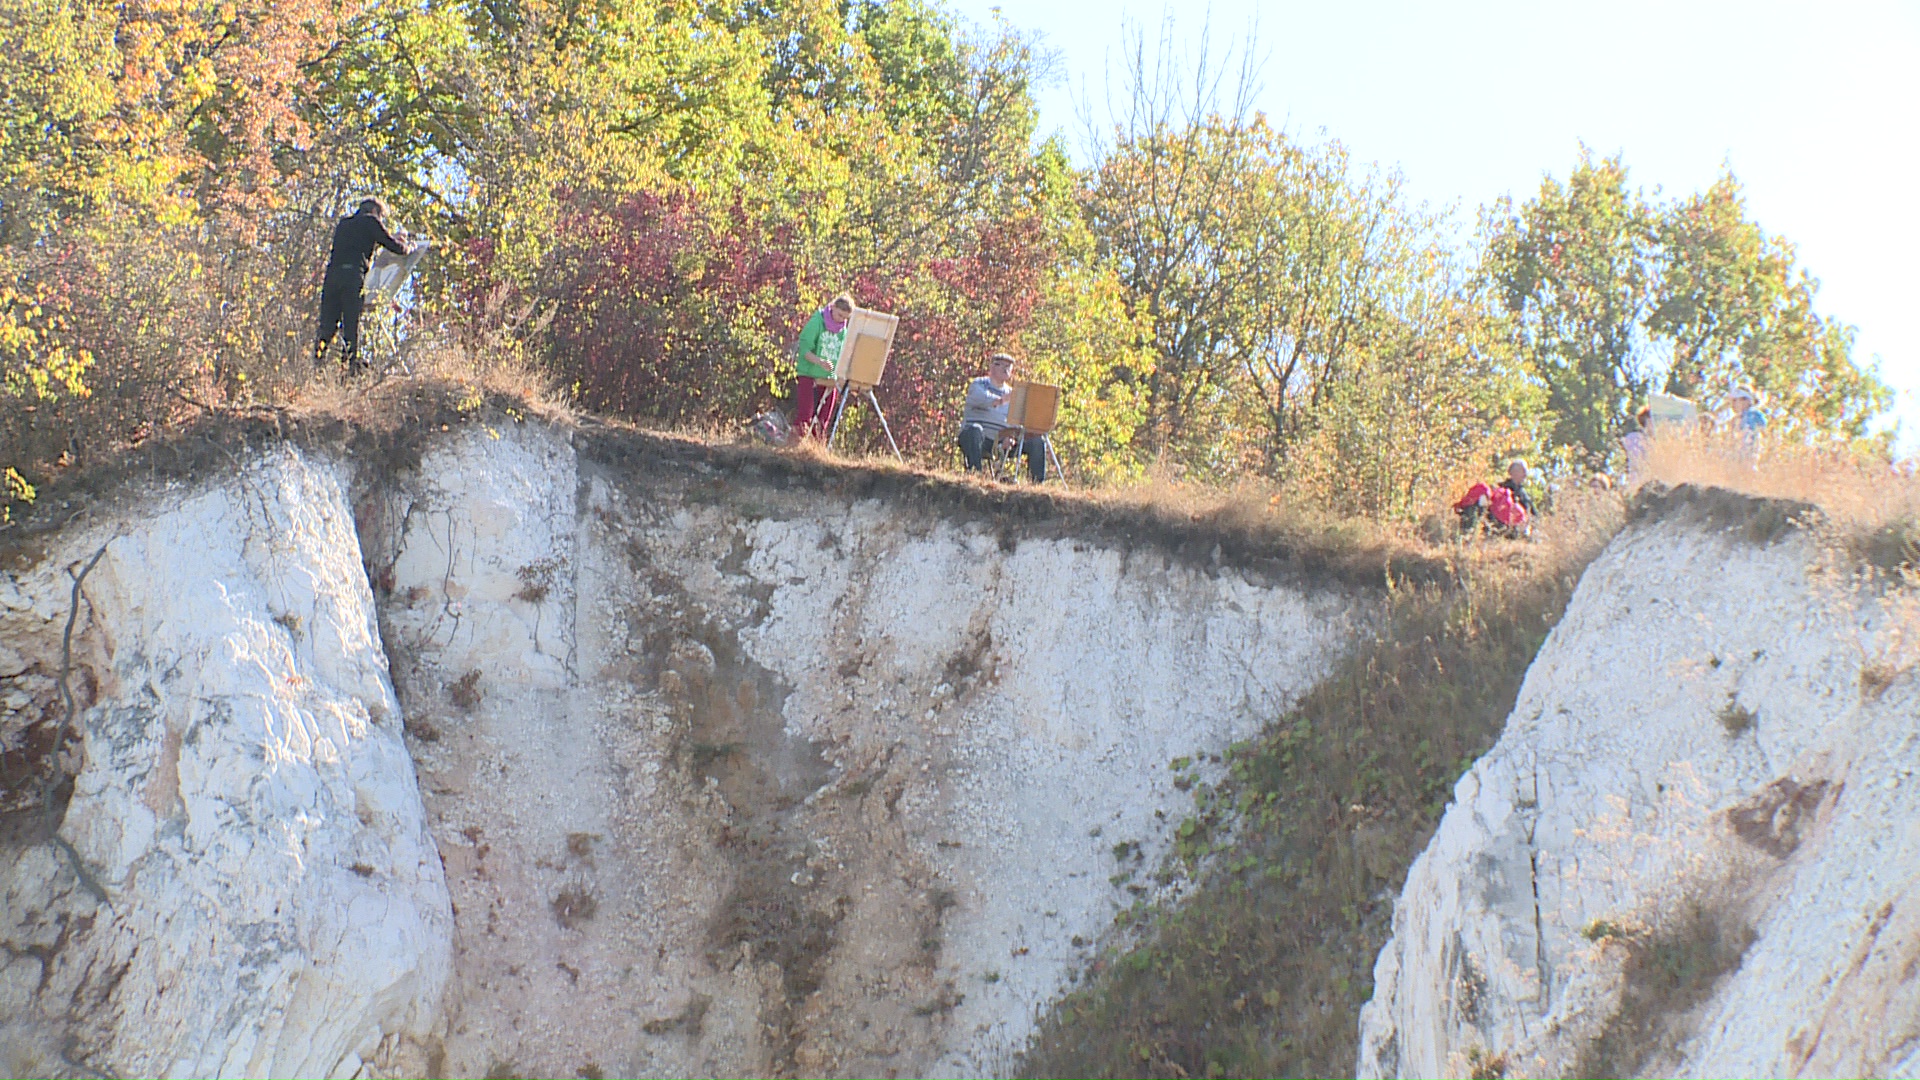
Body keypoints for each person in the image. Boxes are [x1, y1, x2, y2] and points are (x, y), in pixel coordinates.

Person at [316, 197, 415, 375]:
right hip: (352, 277)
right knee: (350, 328)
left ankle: (317, 367)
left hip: (332, 278)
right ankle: (347, 372)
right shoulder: (371, 221)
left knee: (327, 327)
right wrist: (408, 248)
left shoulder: (344, 224)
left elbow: (361, 243)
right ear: (377, 212)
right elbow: (393, 246)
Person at [957, 353, 1047, 482]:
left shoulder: (1013, 394)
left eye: (1008, 366)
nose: (1005, 369)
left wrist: (1011, 437)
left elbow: (1017, 423)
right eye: (1000, 364)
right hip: (979, 439)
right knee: (974, 430)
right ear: (992, 367)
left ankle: (1037, 485)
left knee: (1037, 441)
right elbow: (981, 398)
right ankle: (975, 477)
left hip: (1001, 443)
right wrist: (1002, 400)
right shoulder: (979, 384)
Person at [792, 294, 854, 440]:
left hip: (828, 378)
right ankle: (793, 447)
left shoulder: (843, 331)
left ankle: (815, 450)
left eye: (845, 318)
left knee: (823, 419)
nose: (841, 320)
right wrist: (820, 362)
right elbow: (805, 350)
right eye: (839, 315)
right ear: (832, 307)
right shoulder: (817, 322)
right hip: (808, 372)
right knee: (805, 415)